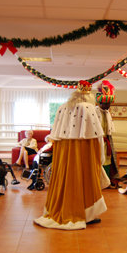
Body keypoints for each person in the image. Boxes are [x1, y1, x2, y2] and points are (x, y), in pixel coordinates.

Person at [34, 81, 109, 230]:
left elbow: (56, 135)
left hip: (64, 150)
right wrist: (100, 157)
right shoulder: (88, 108)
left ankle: (60, 209)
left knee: (66, 177)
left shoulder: (62, 108)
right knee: (83, 178)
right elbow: (97, 136)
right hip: (84, 149)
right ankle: (85, 214)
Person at [95, 80, 120, 189]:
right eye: (106, 103)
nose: (108, 106)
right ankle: (98, 182)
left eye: (109, 104)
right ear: (100, 103)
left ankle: (108, 181)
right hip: (97, 140)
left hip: (107, 140)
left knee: (108, 160)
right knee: (99, 160)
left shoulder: (107, 112)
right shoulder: (95, 111)